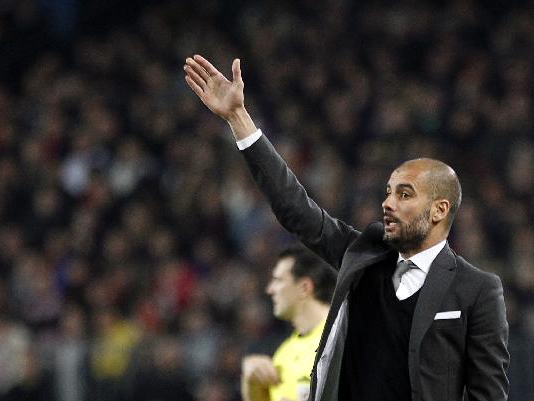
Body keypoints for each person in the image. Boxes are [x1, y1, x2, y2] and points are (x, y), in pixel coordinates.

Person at [183, 55, 509, 401]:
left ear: (439, 210)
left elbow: (487, 394)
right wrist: (238, 118)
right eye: (387, 193)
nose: (388, 203)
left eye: (404, 194)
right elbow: (296, 210)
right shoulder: (364, 255)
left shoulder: (477, 290)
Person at [242, 246, 336, 401]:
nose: (270, 289)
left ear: (304, 287)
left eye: (278, 280)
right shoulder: (284, 354)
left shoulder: (344, 339)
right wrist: (250, 382)